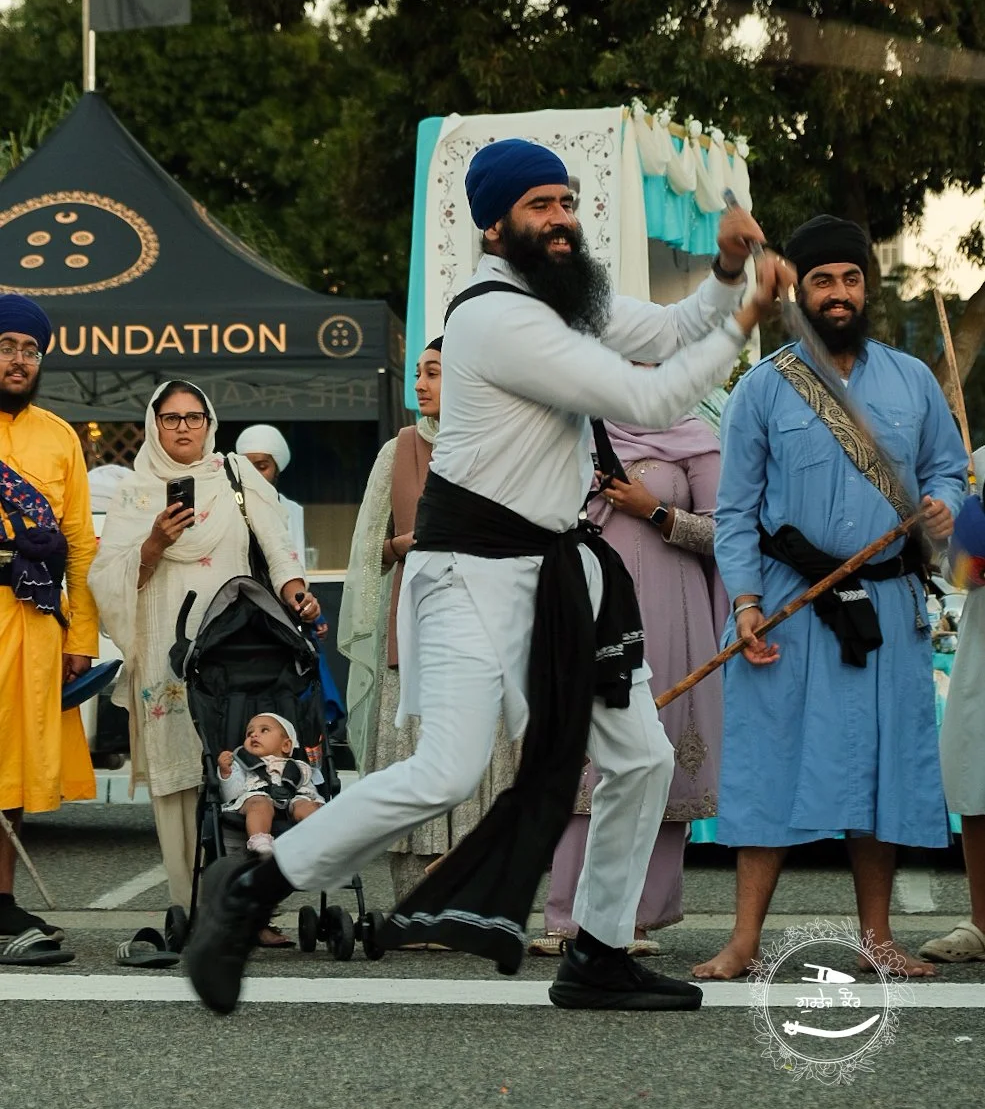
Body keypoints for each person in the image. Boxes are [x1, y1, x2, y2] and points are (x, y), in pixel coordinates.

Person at [185, 135, 789, 1015]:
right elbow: (649, 397)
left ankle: (598, 950)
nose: (561, 219)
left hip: (553, 575)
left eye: (567, 201)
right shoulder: (493, 318)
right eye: (540, 205)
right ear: (492, 221)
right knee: (446, 770)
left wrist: (728, 278)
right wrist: (743, 322)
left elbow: (661, 331)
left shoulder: (561, 296)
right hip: (471, 573)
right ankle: (255, 885)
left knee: (642, 759)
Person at [693, 213, 967, 982]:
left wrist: (941, 506)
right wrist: (744, 604)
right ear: (801, 293)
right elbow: (734, 512)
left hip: (885, 602)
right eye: (821, 280)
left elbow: (945, 471)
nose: (838, 292)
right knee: (768, 764)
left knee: (881, 769)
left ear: (865, 288)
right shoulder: (760, 388)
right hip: (790, 598)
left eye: (850, 278)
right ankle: (743, 940)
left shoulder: (912, 380)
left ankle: (876, 939)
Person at [89, 380, 321, 928]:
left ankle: (250, 911)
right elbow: (106, 580)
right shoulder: (133, 494)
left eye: (194, 417)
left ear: (210, 422)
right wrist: (153, 544)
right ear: (154, 425)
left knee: (249, 772)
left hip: (237, 648)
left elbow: (278, 548)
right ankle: (193, 908)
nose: (184, 427)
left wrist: (296, 595)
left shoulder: (235, 476)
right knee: (181, 783)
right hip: (167, 653)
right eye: (172, 418)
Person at [532, 409, 727, 956]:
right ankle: (567, 915)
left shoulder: (697, 439)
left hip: (672, 612)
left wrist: (657, 511)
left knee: (658, 753)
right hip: (589, 601)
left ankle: (636, 918)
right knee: (585, 754)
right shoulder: (575, 426)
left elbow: (725, 531)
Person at [339, 337, 520, 904]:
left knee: (482, 769)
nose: (419, 384)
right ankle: (411, 905)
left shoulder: (503, 446)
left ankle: (471, 903)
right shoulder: (400, 450)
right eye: (418, 373)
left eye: (434, 373)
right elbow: (370, 548)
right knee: (416, 761)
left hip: (486, 630)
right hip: (413, 632)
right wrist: (408, 544)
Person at [0, 294, 98, 943]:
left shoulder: (60, 437)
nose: (18, 360)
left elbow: (82, 542)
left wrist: (82, 637)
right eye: (7, 346)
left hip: (34, 622)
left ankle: (1, 900)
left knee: (13, 763)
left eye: (30, 351)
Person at [920, 446, 985, 963]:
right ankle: (981, 923)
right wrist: (955, 538)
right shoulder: (977, 466)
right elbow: (959, 573)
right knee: (976, 771)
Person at [218, 712, 324, 858]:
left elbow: (309, 791)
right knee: (259, 803)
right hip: (257, 799)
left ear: (286, 745)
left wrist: (317, 803)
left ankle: (321, 839)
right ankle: (260, 843)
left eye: (264, 730)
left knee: (307, 805)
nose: (254, 735)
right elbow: (232, 795)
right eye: (249, 733)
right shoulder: (241, 765)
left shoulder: (299, 768)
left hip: (294, 799)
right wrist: (226, 773)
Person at [235, 425, 306, 563]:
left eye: (261, 467)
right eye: (246, 467)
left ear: (277, 469)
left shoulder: (293, 511)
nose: (253, 474)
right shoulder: (228, 507)